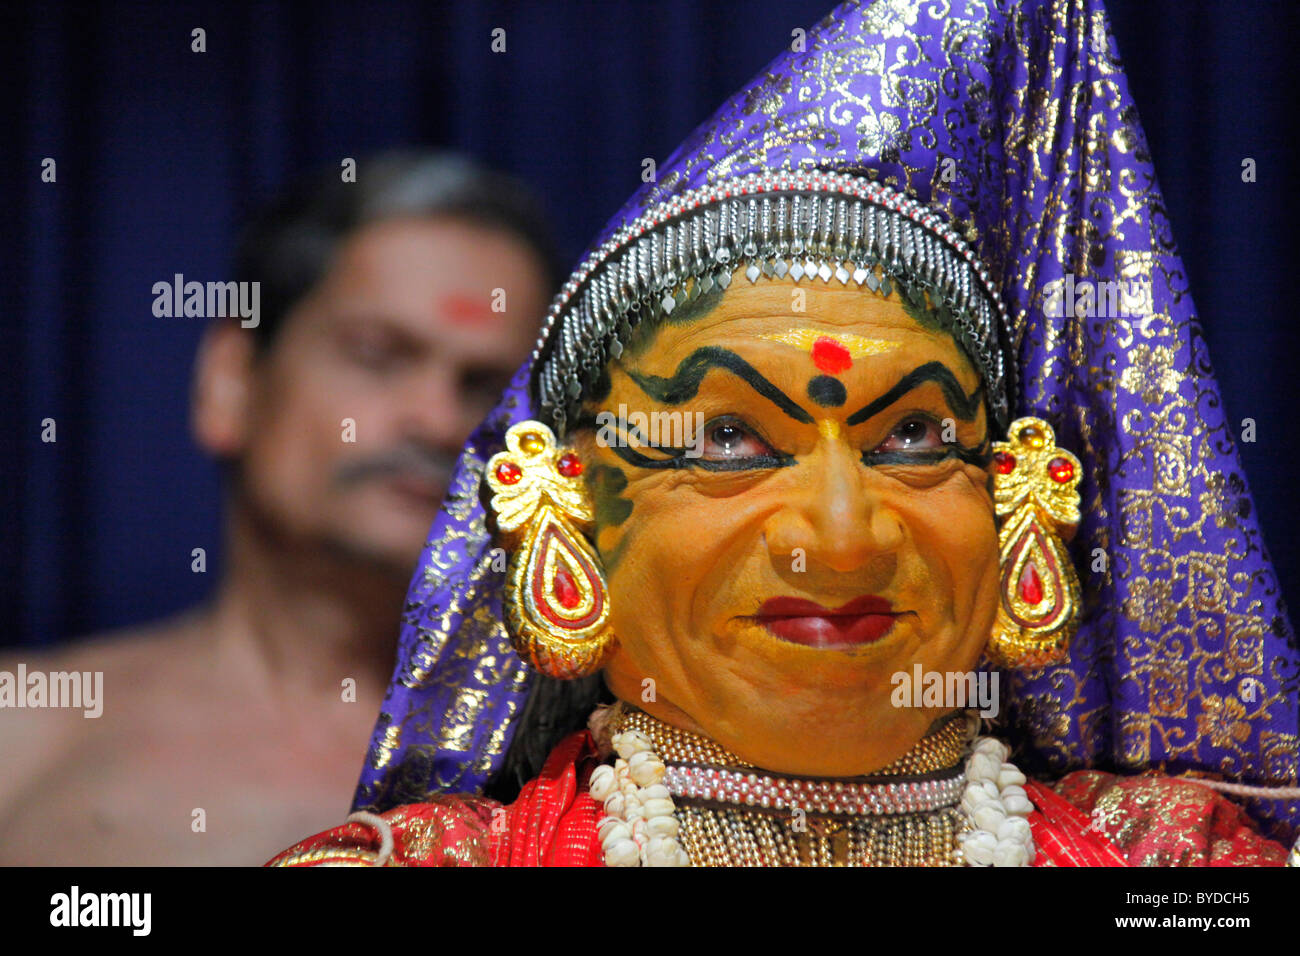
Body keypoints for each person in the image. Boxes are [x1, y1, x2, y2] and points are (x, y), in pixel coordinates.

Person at [269, 0, 1300, 867]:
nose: (841, 534)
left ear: (1018, 493)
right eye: (726, 439)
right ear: (571, 508)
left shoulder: (1182, 865)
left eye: (914, 438)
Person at [0, 152, 558, 865]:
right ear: (231, 381)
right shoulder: (26, 731)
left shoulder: (585, 779)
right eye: (378, 355)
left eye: (485, 387)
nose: (438, 419)